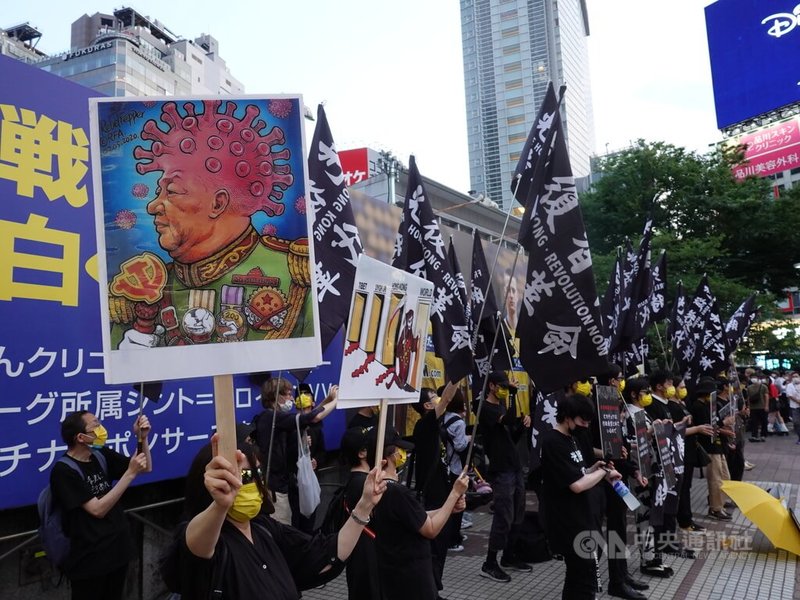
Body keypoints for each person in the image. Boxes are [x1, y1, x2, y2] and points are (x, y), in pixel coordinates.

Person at [109, 99, 313, 348]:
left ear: (217, 204)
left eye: (172, 191)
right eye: (158, 191)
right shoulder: (144, 286)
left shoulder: (295, 275)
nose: (152, 206)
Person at [175, 426, 385, 599]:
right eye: (242, 475)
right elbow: (196, 545)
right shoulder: (207, 541)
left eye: (256, 472)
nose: (249, 482)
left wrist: (364, 506)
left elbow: (321, 554)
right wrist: (219, 506)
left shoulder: (264, 528)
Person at [51, 411, 152, 600]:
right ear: (80, 437)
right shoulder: (63, 471)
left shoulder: (99, 454)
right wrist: (129, 474)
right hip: (90, 559)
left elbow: (144, 467)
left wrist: (142, 439)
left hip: (117, 550)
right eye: (95, 425)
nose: (101, 429)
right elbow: (97, 509)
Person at [368, 428, 469, 600]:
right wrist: (454, 493)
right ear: (388, 458)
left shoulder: (377, 490)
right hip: (411, 579)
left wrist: (448, 508)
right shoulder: (397, 492)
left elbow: (416, 516)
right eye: (398, 450)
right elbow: (430, 529)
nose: (402, 453)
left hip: (394, 574)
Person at [540, 393, 622, 600]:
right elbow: (576, 485)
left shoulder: (571, 438)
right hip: (567, 521)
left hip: (580, 517)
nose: (585, 426)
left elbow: (578, 473)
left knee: (578, 576)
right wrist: (602, 473)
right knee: (584, 574)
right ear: (567, 416)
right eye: (582, 421)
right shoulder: (553, 441)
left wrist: (594, 468)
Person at [252, 377, 337, 525]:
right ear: (277, 396)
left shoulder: (275, 417)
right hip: (275, 489)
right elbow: (314, 417)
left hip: (283, 484)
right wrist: (337, 401)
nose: (292, 398)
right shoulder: (271, 417)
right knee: (281, 528)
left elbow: (307, 417)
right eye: (288, 394)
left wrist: (328, 399)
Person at [477, 371, 532, 583]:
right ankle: (489, 563)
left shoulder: (500, 406)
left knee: (518, 513)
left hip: (515, 466)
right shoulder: (485, 408)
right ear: (492, 386)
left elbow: (510, 434)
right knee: (504, 515)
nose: (504, 390)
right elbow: (506, 419)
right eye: (502, 386)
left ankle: (509, 555)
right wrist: (512, 395)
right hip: (501, 471)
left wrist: (522, 426)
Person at [412, 382, 460, 596]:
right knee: (433, 549)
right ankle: (431, 591)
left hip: (441, 493)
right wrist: (457, 375)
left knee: (440, 548)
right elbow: (448, 398)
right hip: (432, 497)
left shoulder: (434, 425)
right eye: (434, 397)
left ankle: (433, 588)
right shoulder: (425, 425)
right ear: (427, 406)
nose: (439, 399)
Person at [339, 427, 383, 600]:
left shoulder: (353, 481)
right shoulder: (363, 485)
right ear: (362, 453)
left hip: (359, 553)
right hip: (368, 554)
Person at [665, 377, 708, 533]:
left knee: (686, 487)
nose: (684, 389)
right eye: (681, 386)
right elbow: (675, 431)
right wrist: (697, 429)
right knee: (682, 488)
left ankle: (686, 518)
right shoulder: (670, 406)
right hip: (680, 451)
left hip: (688, 449)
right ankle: (684, 520)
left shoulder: (682, 403)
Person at [691, 376, 732, 521]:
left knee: (725, 477)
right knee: (715, 479)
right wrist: (723, 423)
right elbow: (708, 426)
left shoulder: (708, 405)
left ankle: (720, 504)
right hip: (709, 447)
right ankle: (715, 508)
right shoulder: (698, 406)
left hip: (718, 445)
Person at [289, 383, 327, 533]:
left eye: (307, 408)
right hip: (293, 482)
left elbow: (322, 452)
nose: (304, 412)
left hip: (311, 481)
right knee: (293, 522)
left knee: (309, 520)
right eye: (300, 408)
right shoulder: (290, 426)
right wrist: (298, 443)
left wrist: (316, 461)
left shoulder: (317, 428)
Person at [746, 373, 769, 442]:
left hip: (762, 407)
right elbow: (748, 398)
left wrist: (766, 406)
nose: (753, 379)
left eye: (755, 377)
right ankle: (754, 435)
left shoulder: (763, 387)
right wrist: (748, 407)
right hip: (753, 408)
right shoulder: (749, 387)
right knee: (754, 422)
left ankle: (763, 435)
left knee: (764, 422)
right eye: (752, 377)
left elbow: (766, 396)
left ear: (758, 378)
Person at [786, 372, 800, 445]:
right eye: (793, 376)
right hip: (795, 406)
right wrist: (798, 401)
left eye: (796, 376)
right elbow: (789, 395)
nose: (795, 378)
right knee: (796, 422)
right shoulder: (789, 385)